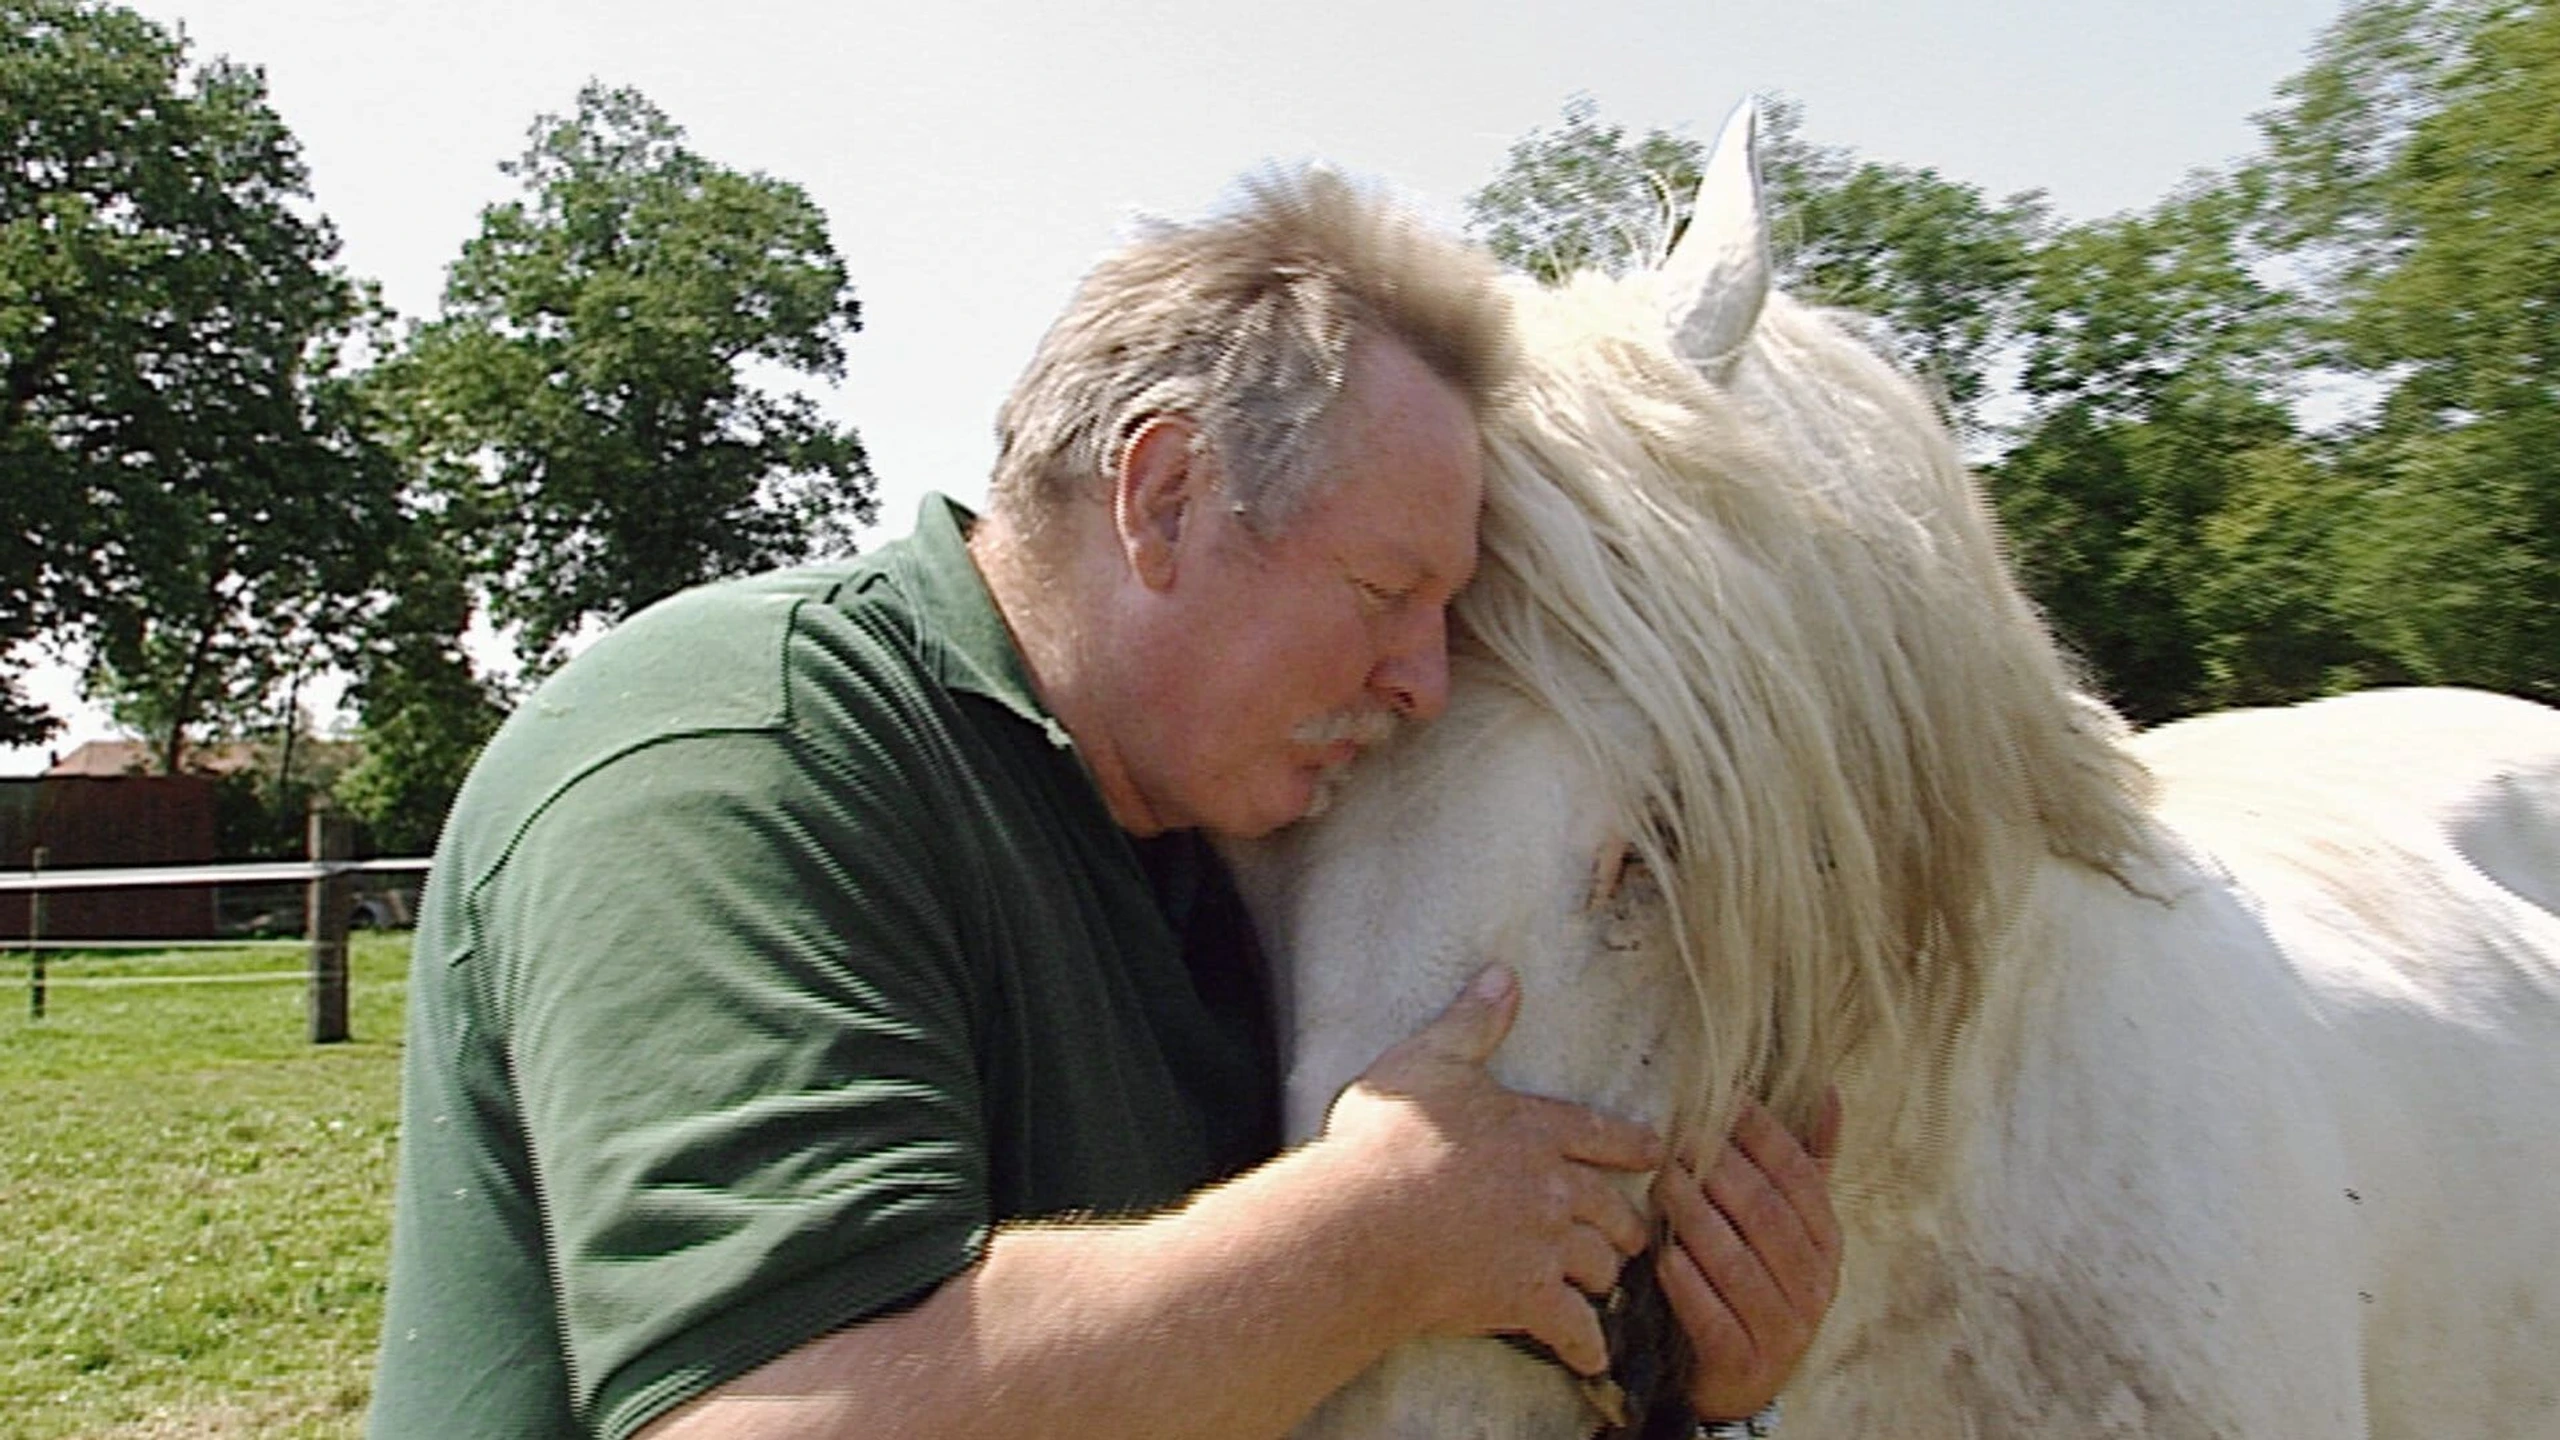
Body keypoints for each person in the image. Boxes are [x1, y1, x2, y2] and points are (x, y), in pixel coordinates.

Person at [368, 167, 1840, 1440]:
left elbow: (1235, 1355)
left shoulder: (1217, 851)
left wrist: (1687, 1384)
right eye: (1387, 592)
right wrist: (1376, 1238)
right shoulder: (740, 753)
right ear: (1165, 496)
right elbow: (779, 1416)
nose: (1423, 682)